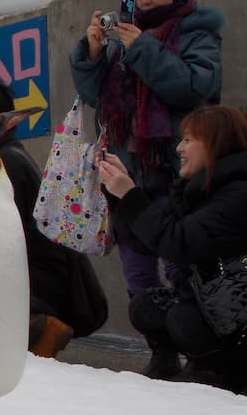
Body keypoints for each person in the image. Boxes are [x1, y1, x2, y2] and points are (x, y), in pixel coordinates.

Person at [69, 0, 224, 304]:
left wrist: (142, 49)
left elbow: (194, 87)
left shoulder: (196, 31)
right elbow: (97, 97)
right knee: (137, 271)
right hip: (127, 171)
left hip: (176, 171)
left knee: (180, 268)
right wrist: (91, 53)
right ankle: (160, 352)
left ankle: (197, 353)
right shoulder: (127, 34)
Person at [0, 77, 108, 356]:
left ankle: (35, 326)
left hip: (36, 280)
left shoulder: (3, 164)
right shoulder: (6, 156)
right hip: (38, 276)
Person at [99, 105, 247, 389]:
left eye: (189, 139)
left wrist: (131, 195)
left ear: (217, 142)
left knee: (184, 318)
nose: (179, 148)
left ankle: (219, 372)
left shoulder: (238, 193)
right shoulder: (197, 189)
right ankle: (175, 363)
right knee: (147, 306)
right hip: (216, 304)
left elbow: (179, 242)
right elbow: (151, 237)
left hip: (238, 321)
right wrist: (121, 193)